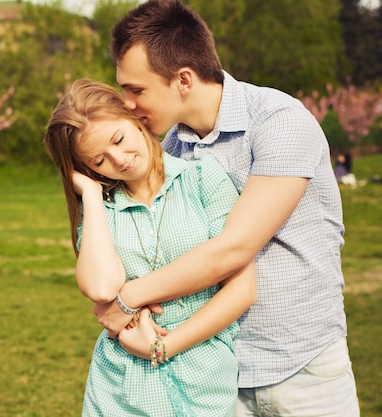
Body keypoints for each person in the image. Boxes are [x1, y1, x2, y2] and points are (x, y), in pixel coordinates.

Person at [93, 1, 360, 415]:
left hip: (302, 371)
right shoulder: (171, 151)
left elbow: (234, 248)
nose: (127, 103)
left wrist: (127, 300)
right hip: (217, 378)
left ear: (183, 79)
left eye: (136, 89)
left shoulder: (279, 122)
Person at [44, 78, 256, 416]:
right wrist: (93, 197)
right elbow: (101, 287)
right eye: (99, 161)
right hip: (122, 391)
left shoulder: (204, 180)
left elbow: (242, 291)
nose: (119, 159)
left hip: (205, 385)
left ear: (133, 119)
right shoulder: (103, 211)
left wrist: (162, 347)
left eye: (118, 139)